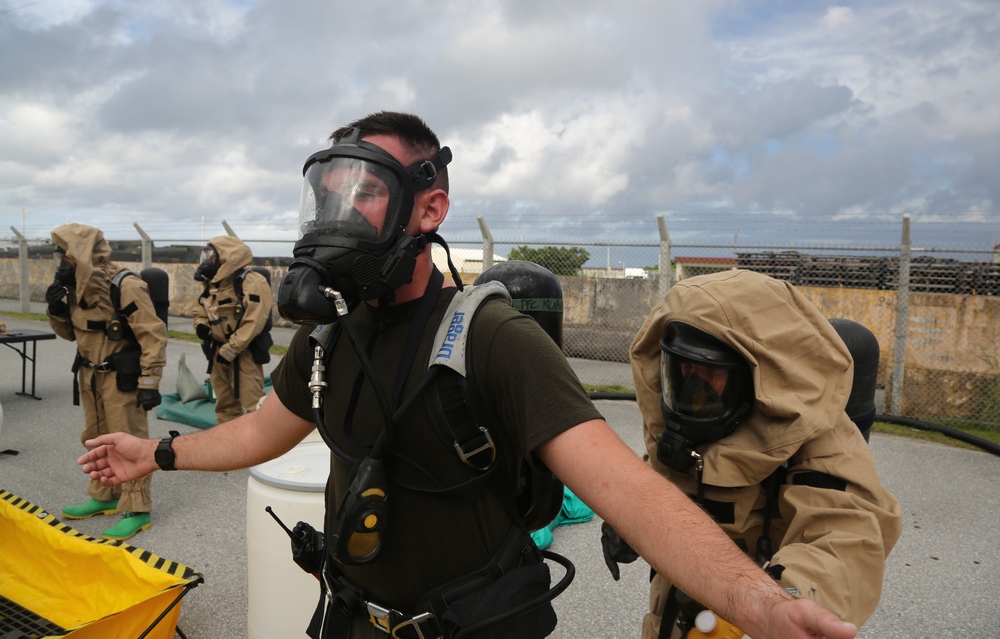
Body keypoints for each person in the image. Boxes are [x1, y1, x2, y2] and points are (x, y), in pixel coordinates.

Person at [79, 111, 858, 639]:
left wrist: (754, 596)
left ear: (429, 208)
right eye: (330, 194)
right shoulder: (332, 335)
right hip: (350, 616)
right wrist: (157, 454)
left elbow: (627, 488)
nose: (338, 214)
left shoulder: (492, 338)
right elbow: (260, 429)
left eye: (367, 192)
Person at [612, 269, 902, 638]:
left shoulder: (817, 439)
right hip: (677, 598)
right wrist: (627, 521)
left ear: (758, 377)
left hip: (759, 610)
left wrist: (780, 603)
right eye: (681, 367)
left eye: (708, 371)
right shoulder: (682, 428)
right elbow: (659, 473)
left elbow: (844, 538)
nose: (691, 384)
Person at [47, 223, 167, 540]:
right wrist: (56, 310)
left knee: (128, 441)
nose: (60, 262)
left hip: (121, 379)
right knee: (95, 437)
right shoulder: (76, 287)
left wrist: (149, 382)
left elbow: (153, 335)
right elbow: (72, 333)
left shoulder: (124, 285)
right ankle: (105, 496)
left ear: (81, 255)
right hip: (89, 376)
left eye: (64, 255)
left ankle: (138, 509)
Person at [192, 236, 274, 424]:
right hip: (218, 352)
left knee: (254, 406)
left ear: (226, 257)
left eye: (212, 256)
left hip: (243, 353)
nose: (207, 261)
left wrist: (231, 349)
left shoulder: (252, 282)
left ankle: (260, 450)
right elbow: (200, 307)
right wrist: (201, 324)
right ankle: (227, 446)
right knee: (225, 406)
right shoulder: (213, 284)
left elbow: (255, 320)